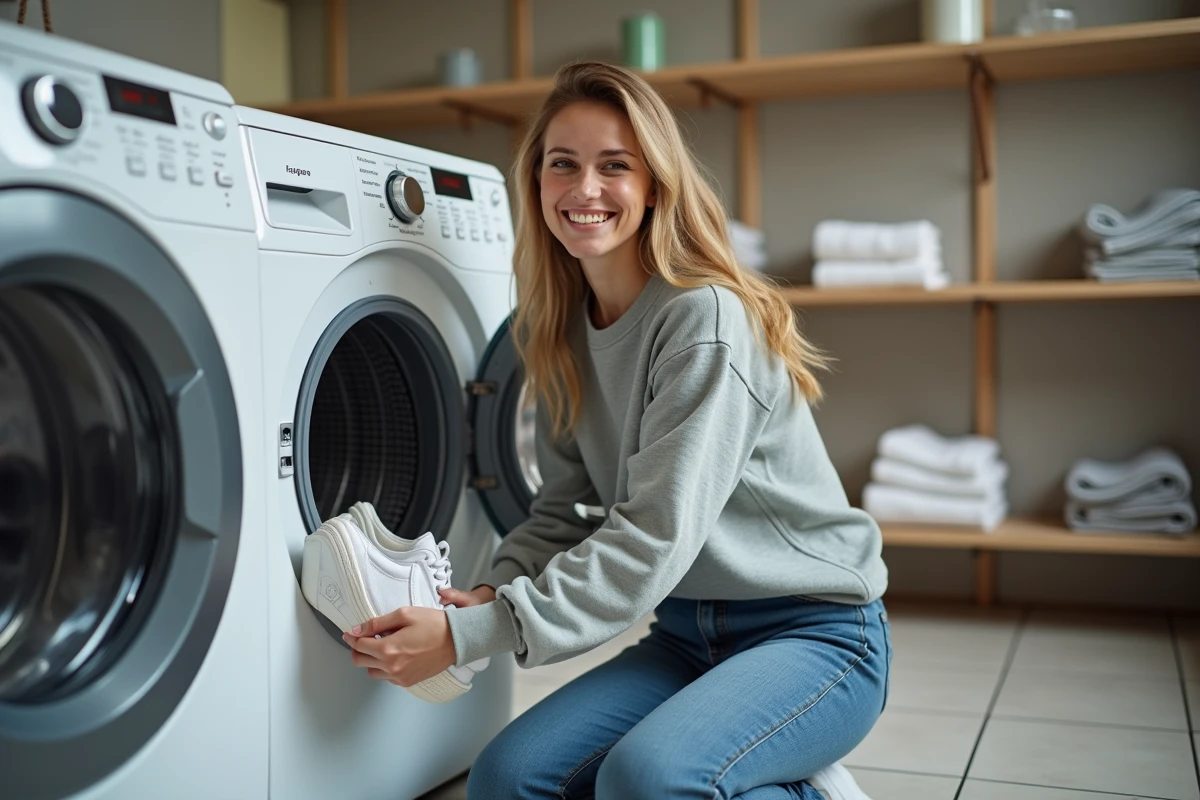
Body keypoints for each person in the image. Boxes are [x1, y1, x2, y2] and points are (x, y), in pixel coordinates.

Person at [344, 61, 890, 800]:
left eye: (615, 167)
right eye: (561, 164)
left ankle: (812, 790)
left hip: (814, 635)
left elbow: (650, 538)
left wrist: (475, 636)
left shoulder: (704, 321)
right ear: (537, 184)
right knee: (505, 780)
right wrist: (488, 592)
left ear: (655, 185)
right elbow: (565, 507)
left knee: (648, 779)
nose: (585, 189)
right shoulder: (562, 327)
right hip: (687, 636)